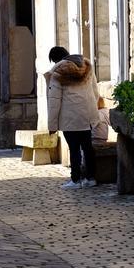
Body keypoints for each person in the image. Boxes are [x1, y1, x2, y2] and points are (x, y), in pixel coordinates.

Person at [46, 45, 101, 189]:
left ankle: (75, 180)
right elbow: (95, 92)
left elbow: (54, 102)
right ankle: (91, 178)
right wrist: (90, 109)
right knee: (87, 147)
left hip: (69, 117)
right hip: (86, 115)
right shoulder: (86, 66)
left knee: (74, 148)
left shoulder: (57, 73)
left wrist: (52, 126)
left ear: (55, 59)